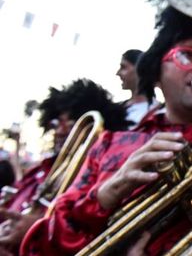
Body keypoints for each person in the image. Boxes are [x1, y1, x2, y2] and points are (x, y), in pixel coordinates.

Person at [21, 7, 192, 256]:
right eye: (187, 55)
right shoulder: (109, 143)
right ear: (156, 74)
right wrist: (110, 190)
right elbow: (43, 244)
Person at [0, 79, 128, 255]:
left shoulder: (102, 174)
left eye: (69, 123)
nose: (59, 131)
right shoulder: (42, 170)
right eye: (56, 123)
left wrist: (34, 229)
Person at [116, 49, 159, 126]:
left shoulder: (159, 112)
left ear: (140, 69)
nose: (118, 73)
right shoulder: (115, 109)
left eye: (123, 67)